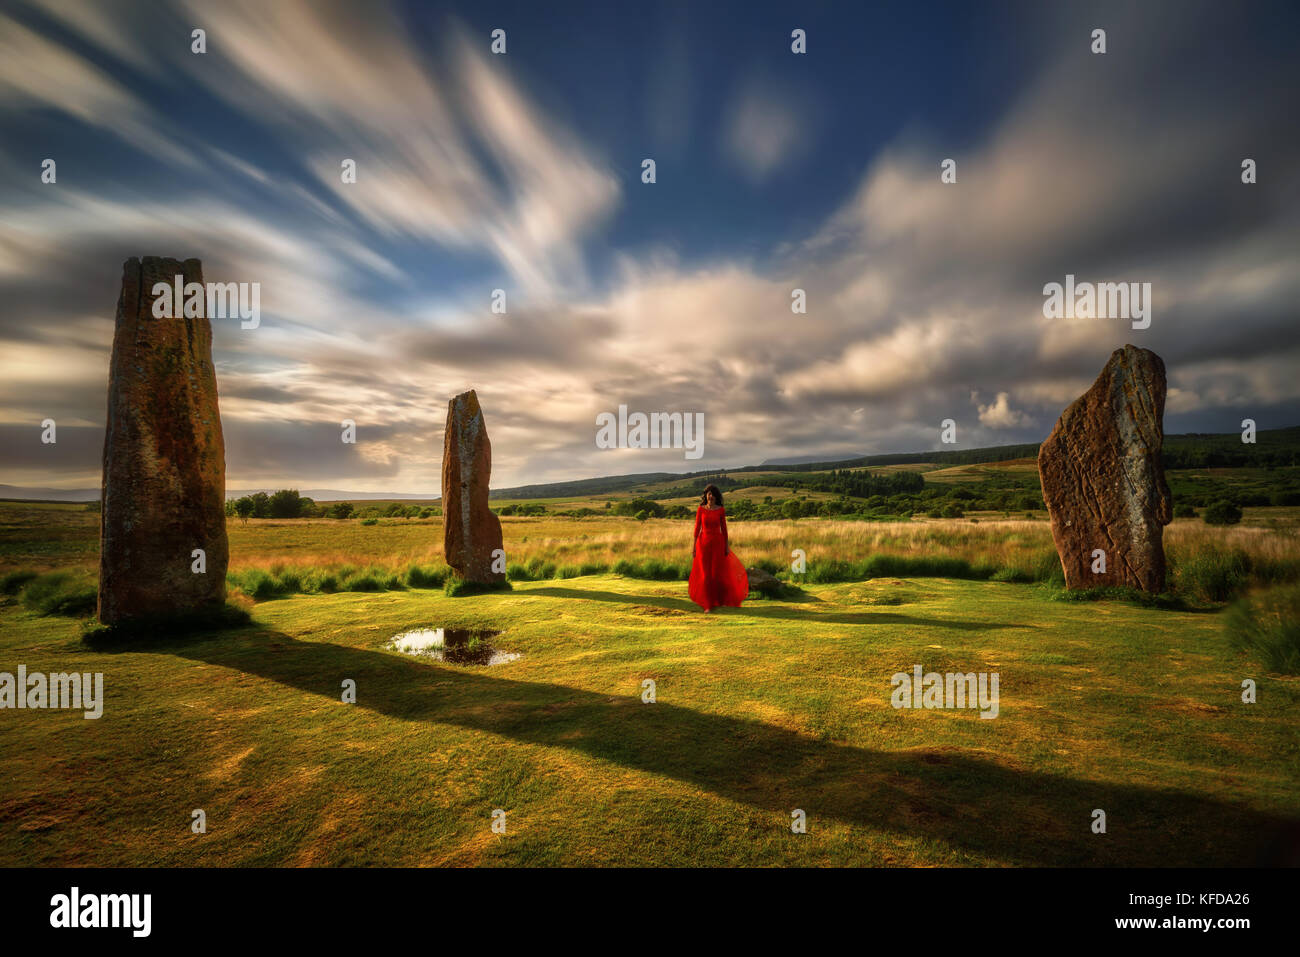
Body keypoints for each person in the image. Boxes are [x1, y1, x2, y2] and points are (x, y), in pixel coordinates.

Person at [688, 484, 748, 612]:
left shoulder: (720, 510)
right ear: (706, 496)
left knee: (717, 573)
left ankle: (720, 600)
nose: (711, 496)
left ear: (716, 497)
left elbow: (724, 530)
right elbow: (697, 528)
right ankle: (707, 604)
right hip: (703, 544)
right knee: (705, 574)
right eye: (709, 494)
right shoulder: (701, 509)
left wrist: (726, 547)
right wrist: (694, 547)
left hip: (718, 544)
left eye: (713, 494)